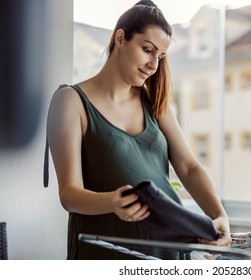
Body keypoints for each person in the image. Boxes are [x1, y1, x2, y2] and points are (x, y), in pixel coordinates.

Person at [46, 0, 231, 259]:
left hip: (166, 254)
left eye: (160, 56)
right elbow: (69, 194)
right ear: (120, 39)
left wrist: (219, 215)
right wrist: (112, 201)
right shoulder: (71, 101)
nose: (154, 64)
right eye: (147, 50)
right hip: (105, 253)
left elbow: (188, 167)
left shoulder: (155, 102)